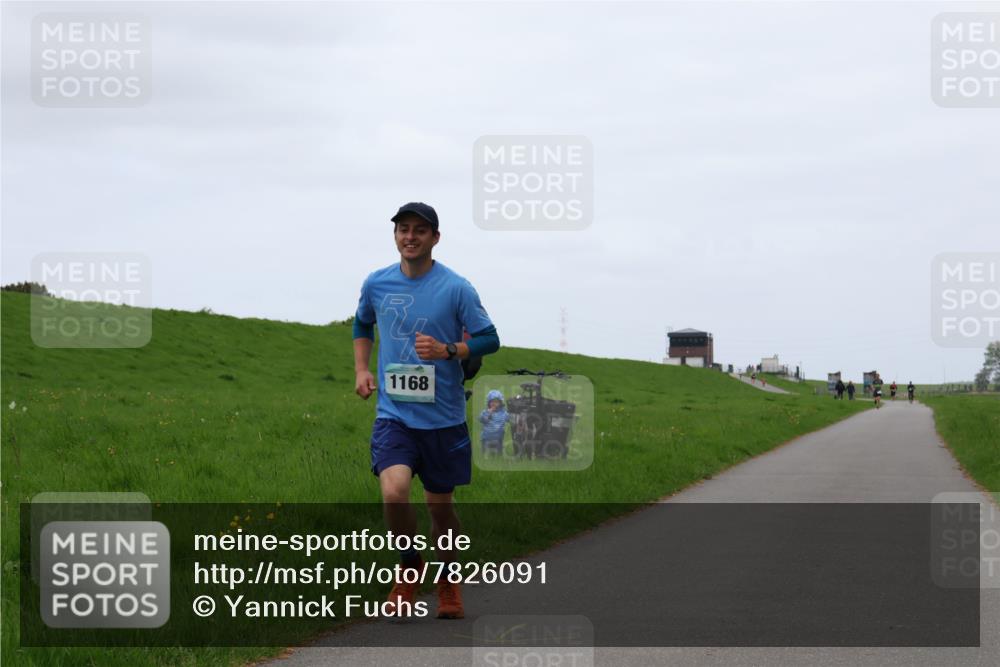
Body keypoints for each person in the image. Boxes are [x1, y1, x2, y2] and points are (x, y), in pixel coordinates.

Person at [353, 202, 500, 620]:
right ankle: (409, 567)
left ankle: (449, 577)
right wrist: (363, 369)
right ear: (396, 235)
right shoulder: (377, 283)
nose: (410, 236)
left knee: (440, 508)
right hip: (394, 415)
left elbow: (490, 339)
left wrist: (449, 349)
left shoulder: (456, 288)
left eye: (420, 230)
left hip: (444, 419)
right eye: (403, 229)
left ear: (435, 237)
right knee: (394, 491)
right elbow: (363, 323)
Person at [479, 389, 509, 457]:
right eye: (491, 401)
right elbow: (481, 419)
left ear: (500, 403)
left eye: (496, 401)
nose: (493, 403)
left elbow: (510, 419)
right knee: (485, 455)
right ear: (488, 402)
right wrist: (488, 413)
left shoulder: (503, 413)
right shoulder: (485, 412)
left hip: (498, 438)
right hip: (486, 438)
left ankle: (498, 458)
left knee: (498, 455)